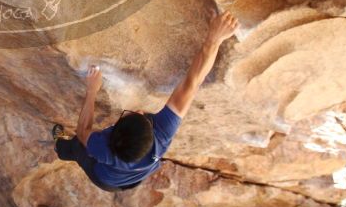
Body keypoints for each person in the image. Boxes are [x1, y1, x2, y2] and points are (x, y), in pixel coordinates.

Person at [54, 10, 239, 191]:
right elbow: (193, 82)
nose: (140, 111)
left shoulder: (102, 148)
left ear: (110, 134)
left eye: (131, 115)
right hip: (133, 178)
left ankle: (59, 146)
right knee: (123, 176)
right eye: (141, 116)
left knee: (77, 148)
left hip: (104, 178)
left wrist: (92, 90)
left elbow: (82, 130)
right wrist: (215, 39)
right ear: (152, 134)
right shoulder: (162, 133)